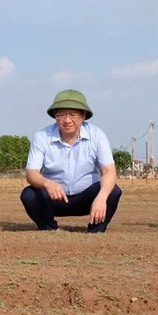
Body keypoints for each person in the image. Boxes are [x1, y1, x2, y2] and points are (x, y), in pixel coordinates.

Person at [20, 89, 122, 233]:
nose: (67, 120)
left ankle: (96, 230)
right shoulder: (41, 137)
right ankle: (49, 228)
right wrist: (47, 183)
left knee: (113, 191)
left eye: (73, 114)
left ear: (83, 116)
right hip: (55, 197)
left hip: (87, 198)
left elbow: (108, 170)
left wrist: (102, 196)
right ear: (55, 116)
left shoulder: (97, 135)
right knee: (29, 194)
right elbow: (31, 174)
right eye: (61, 115)